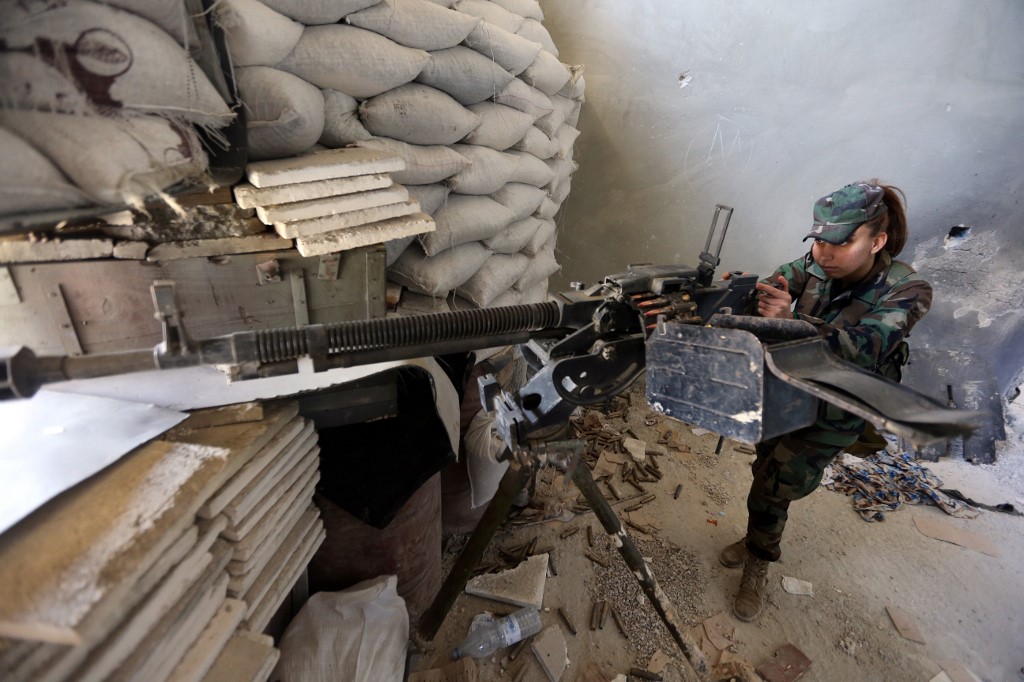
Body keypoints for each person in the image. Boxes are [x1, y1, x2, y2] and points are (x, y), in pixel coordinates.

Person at [721, 180, 933, 621]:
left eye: (841, 243)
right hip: (789, 390)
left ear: (877, 241)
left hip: (839, 406)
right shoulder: (811, 266)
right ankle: (758, 531)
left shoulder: (909, 289)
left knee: (778, 482)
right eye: (818, 241)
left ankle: (759, 557)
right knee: (765, 465)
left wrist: (791, 321)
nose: (824, 254)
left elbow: (866, 347)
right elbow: (772, 287)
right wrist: (738, 295)